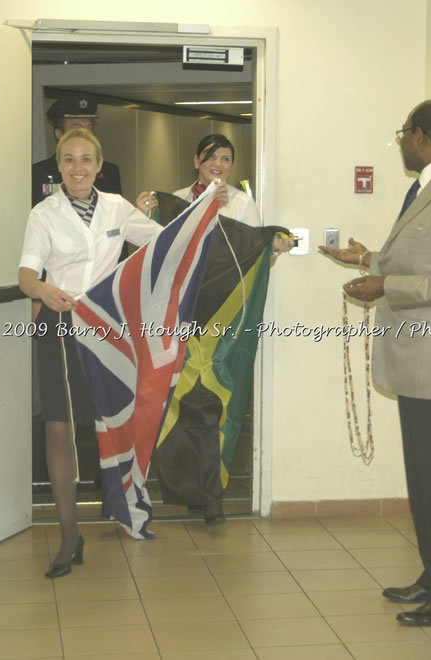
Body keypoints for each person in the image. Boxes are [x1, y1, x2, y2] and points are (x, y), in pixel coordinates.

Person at [319, 100, 431, 627]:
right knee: (426, 480)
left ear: (420, 136)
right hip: (420, 362)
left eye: (402, 134)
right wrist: (370, 260)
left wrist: (386, 285)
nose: (399, 143)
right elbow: (423, 260)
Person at [18, 128, 161, 578]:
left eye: (86, 160)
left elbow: (166, 242)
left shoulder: (119, 208)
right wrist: (42, 288)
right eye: (68, 160)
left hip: (106, 327)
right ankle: (67, 536)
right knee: (60, 431)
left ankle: (122, 508)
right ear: (58, 166)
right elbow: (25, 274)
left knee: (114, 425)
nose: (77, 168)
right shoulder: (43, 213)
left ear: (100, 166)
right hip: (59, 325)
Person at [139, 133, 291, 526]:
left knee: (216, 407)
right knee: (181, 406)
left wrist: (270, 247)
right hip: (182, 321)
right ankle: (187, 489)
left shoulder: (243, 204)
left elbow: (257, 263)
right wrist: (146, 215)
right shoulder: (175, 200)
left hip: (223, 325)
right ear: (196, 159)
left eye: (226, 158)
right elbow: (156, 257)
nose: (218, 164)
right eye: (211, 157)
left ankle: (213, 495)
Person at [31, 94, 123, 208]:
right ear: (59, 134)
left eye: (89, 128)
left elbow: (116, 217)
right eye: (78, 129)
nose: (85, 134)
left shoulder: (108, 172)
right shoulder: (37, 174)